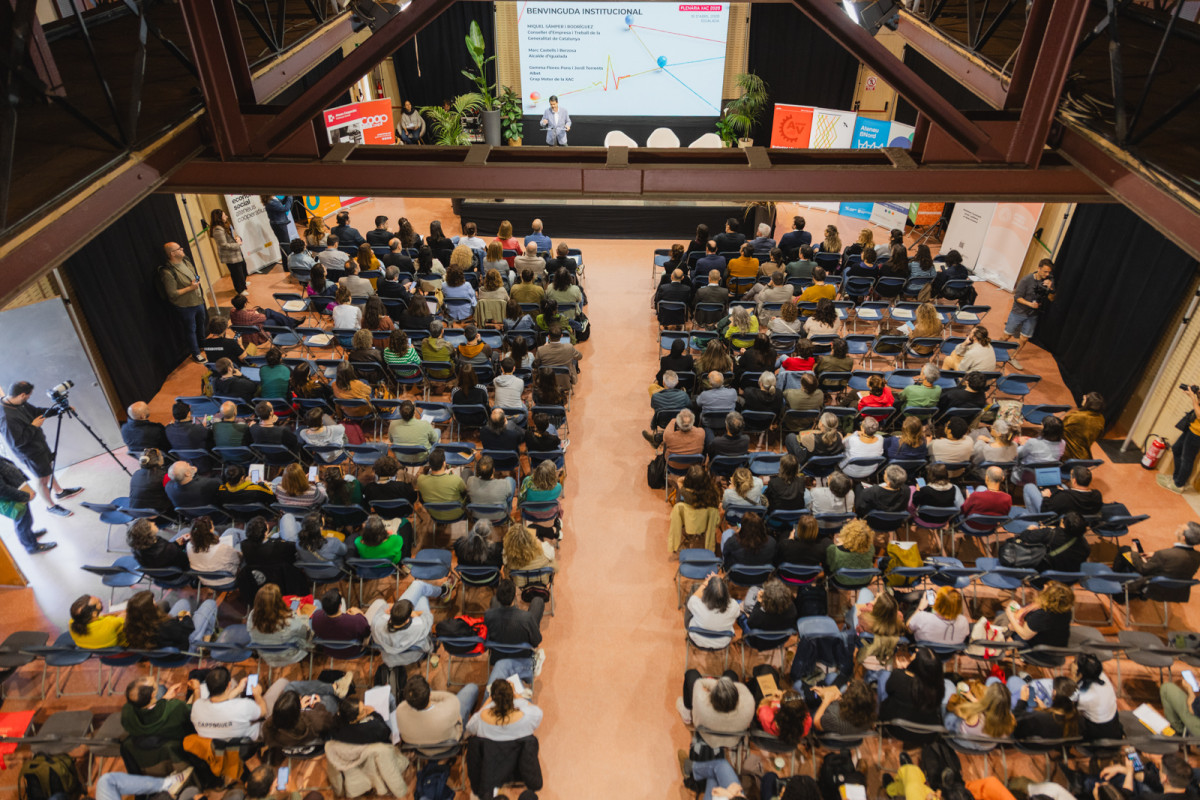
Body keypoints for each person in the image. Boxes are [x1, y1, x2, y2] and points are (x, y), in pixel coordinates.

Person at [0, 381, 82, 517]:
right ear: (21, 395)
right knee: (42, 479)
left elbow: (37, 412)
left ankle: (60, 492)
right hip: (30, 454)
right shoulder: (6, 418)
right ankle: (50, 506)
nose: (29, 398)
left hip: (38, 445)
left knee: (47, 468)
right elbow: (16, 442)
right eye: (28, 396)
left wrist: (57, 411)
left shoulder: (19, 403)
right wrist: (33, 426)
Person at [1118, 521, 1200, 601]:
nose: (1179, 526)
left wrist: (1135, 553)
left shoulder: (1164, 554)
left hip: (1155, 587)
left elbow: (1143, 569)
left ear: (1183, 538)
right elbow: (1177, 562)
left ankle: (1117, 586)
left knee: (1125, 549)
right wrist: (1156, 555)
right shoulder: (1197, 556)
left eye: (1181, 528)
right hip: (1177, 591)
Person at [484, 578, 545, 684]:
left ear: (499, 597)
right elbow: (536, 641)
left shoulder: (488, 615)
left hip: (497, 656)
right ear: (515, 596)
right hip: (522, 657)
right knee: (538, 601)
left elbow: (486, 639)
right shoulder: (526, 618)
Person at [396, 674, 478, 750]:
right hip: (449, 746)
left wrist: (422, 696)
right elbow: (450, 697)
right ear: (430, 695)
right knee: (472, 688)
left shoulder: (400, 710)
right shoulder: (448, 709)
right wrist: (426, 694)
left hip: (421, 750)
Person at [1000, 258, 1054, 370]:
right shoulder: (1026, 280)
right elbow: (1017, 297)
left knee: (1024, 339)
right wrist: (1030, 304)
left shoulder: (1048, 281)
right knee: (1007, 335)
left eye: (1049, 272)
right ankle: (994, 350)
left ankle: (1012, 357)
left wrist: (1051, 288)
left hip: (1032, 315)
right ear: (1039, 268)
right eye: (1045, 271)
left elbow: (1051, 299)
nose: (1047, 274)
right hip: (1018, 312)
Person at [880, 646, 944, 739]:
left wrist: (902, 670)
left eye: (915, 656)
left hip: (897, 729)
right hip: (928, 733)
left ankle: (878, 722)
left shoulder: (900, 677)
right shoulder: (940, 686)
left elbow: (889, 690)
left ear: (917, 664)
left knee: (884, 675)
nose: (913, 654)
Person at [124, 588, 218, 651]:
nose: (156, 603)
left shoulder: (131, 626)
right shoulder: (167, 626)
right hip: (184, 647)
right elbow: (188, 629)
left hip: (165, 643)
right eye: (153, 603)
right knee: (210, 604)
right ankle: (205, 644)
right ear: (148, 612)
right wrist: (186, 617)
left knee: (183, 603)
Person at [159, 242, 207, 362]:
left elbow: (193, 274)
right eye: (179, 249)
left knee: (201, 325)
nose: (182, 249)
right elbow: (172, 294)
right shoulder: (168, 272)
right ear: (172, 253)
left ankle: (203, 344)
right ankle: (196, 353)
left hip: (198, 300)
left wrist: (196, 280)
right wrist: (190, 288)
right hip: (186, 306)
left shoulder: (186, 261)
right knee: (191, 329)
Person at [190, 666, 267, 740]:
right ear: (229, 685)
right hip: (247, 742)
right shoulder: (244, 705)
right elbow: (263, 711)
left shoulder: (197, 708)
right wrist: (258, 695)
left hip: (213, 748)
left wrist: (197, 689)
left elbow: (220, 703)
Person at [247, 583, 312, 667]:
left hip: (268, 656)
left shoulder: (252, 616)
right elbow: (305, 633)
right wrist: (300, 615)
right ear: (279, 601)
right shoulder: (289, 620)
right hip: (291, 655)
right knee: (315, 606)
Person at [0, 453, 52, 553]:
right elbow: (2, 489)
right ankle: (31, 546)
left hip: (17, 490)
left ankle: (29, 535)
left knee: (26, 519)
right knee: (22, 521)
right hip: (13, 495)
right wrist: (25, 495)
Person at [1006, 580, 1073, 647]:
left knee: (1005, 622)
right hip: (1059, 649)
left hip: (1040, 652)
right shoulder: (1066, 611)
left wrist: (1010, 615)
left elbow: (1025, 636)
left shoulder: (1042, 614)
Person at [685, 572, 740, 648]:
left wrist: (707, 581)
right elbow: (734, 621)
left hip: (697, 640)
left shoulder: (696, 603)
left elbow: (694, 597)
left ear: (706, 592)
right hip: (722, 642)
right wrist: (718, 583)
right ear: (726, 592)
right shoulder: (734, 606)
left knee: (691, 597)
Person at [1024, 464, 1103, 516]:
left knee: (1029, 487)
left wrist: (1046, 497)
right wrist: (1062, 491)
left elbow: (1045, 510)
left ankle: (1034, 518)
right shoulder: (1097, 495)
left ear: (1074, 481)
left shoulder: (1064, 497)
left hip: (1055, 515)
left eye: (1071, 476)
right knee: (1064, 485)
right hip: (1079, 516)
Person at [417, 448, 468, 524]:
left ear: (430, 465)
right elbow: (465, 492)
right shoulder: (456, 480)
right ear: (444, 464)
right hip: (458, 514)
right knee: (466, 473)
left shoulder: (420, 480)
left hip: (435, 516)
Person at [185, 515, 239, 585]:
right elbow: (237, 561)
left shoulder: (189, 545)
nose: (214, 527)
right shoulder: (222, 548)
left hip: (206, 580)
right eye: (213, 525)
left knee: (230, 531)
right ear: (210, 531)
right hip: (229, 580)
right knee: (240, 545)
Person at [210, 208, 249, 295]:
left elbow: (233, 234)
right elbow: (223, 245)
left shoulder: (226, 224)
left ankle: (243, 283)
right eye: (224, 215)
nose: (226, 216)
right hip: (230, 255)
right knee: (237, 273)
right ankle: (240, 289)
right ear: (219, 218)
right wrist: (237, 245)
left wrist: (238, 238)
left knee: (243, 268)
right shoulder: (218, 230)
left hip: (236, 252)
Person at [388, 399, 440, 464]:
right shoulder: (425, 424)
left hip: (402, 458)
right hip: (422, 458)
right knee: (437, 431)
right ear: (414, 412)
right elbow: (434, 439)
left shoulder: (393, 424)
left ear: (399, 412)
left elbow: (391, 440)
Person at [826, 519, 874, 586]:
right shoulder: (871, 548)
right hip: (865, 580)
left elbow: (831, 568)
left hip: (841, 582)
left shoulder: (833, 550)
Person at [129, 448, 173, 517]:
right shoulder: (165, 476)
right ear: (158, 460)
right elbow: (171, 493)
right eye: (161, 456)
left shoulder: (136, 473)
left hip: (137, 513)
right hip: (158, 514)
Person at [1063, 392, 1106, 461]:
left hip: (1067, 454)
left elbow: (1060, 429)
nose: (1084, 397)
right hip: (1085, 458)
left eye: (1086, 397)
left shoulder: (1076, 417)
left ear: (1088, 403)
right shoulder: (1101, 419)